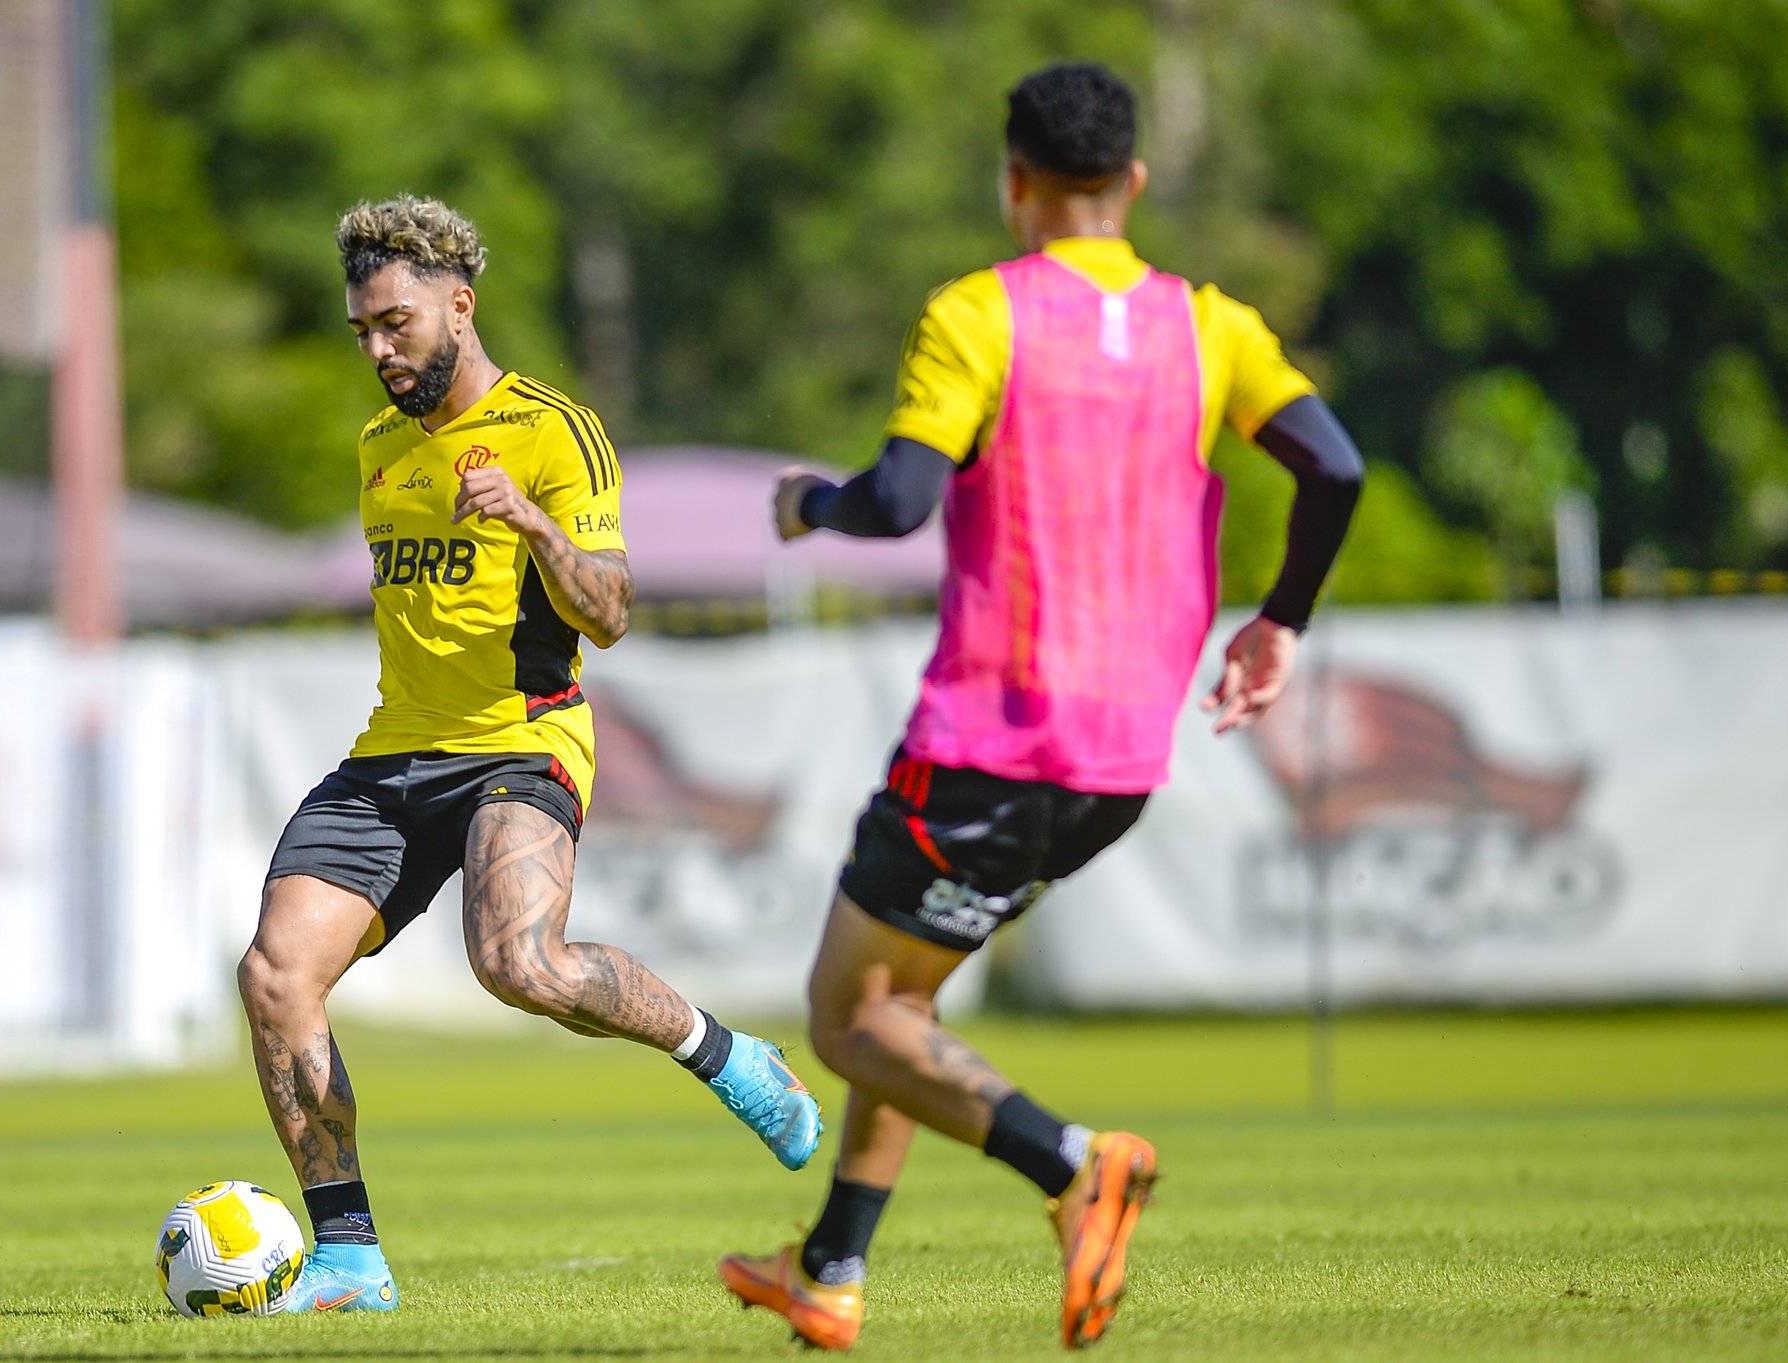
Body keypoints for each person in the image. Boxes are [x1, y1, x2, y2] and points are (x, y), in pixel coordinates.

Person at [719, 64, 1364, 1351]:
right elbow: (1332, 464)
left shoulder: (979, 314)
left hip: (987, 739)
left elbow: (897, 502)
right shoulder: (1210, 324)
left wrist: (808, 504)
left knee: (847, 1019)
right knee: (904, 1005)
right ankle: (831, 1270)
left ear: (1009, 179)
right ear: (1130, 181)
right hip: (1120, 763)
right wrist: (1279, 616)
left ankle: (1071, 1163)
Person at [239, 195, 822, 1315]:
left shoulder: (555, 430)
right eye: (360, 328)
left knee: (521, 966)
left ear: (460, 304)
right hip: (392, 757)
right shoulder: (377, 450)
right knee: (274, 976)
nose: (377, 349)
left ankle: (728, 1055)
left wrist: (533, 525)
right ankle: (351, 1257)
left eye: (395, 323)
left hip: (521, 740)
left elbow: (608, 614)